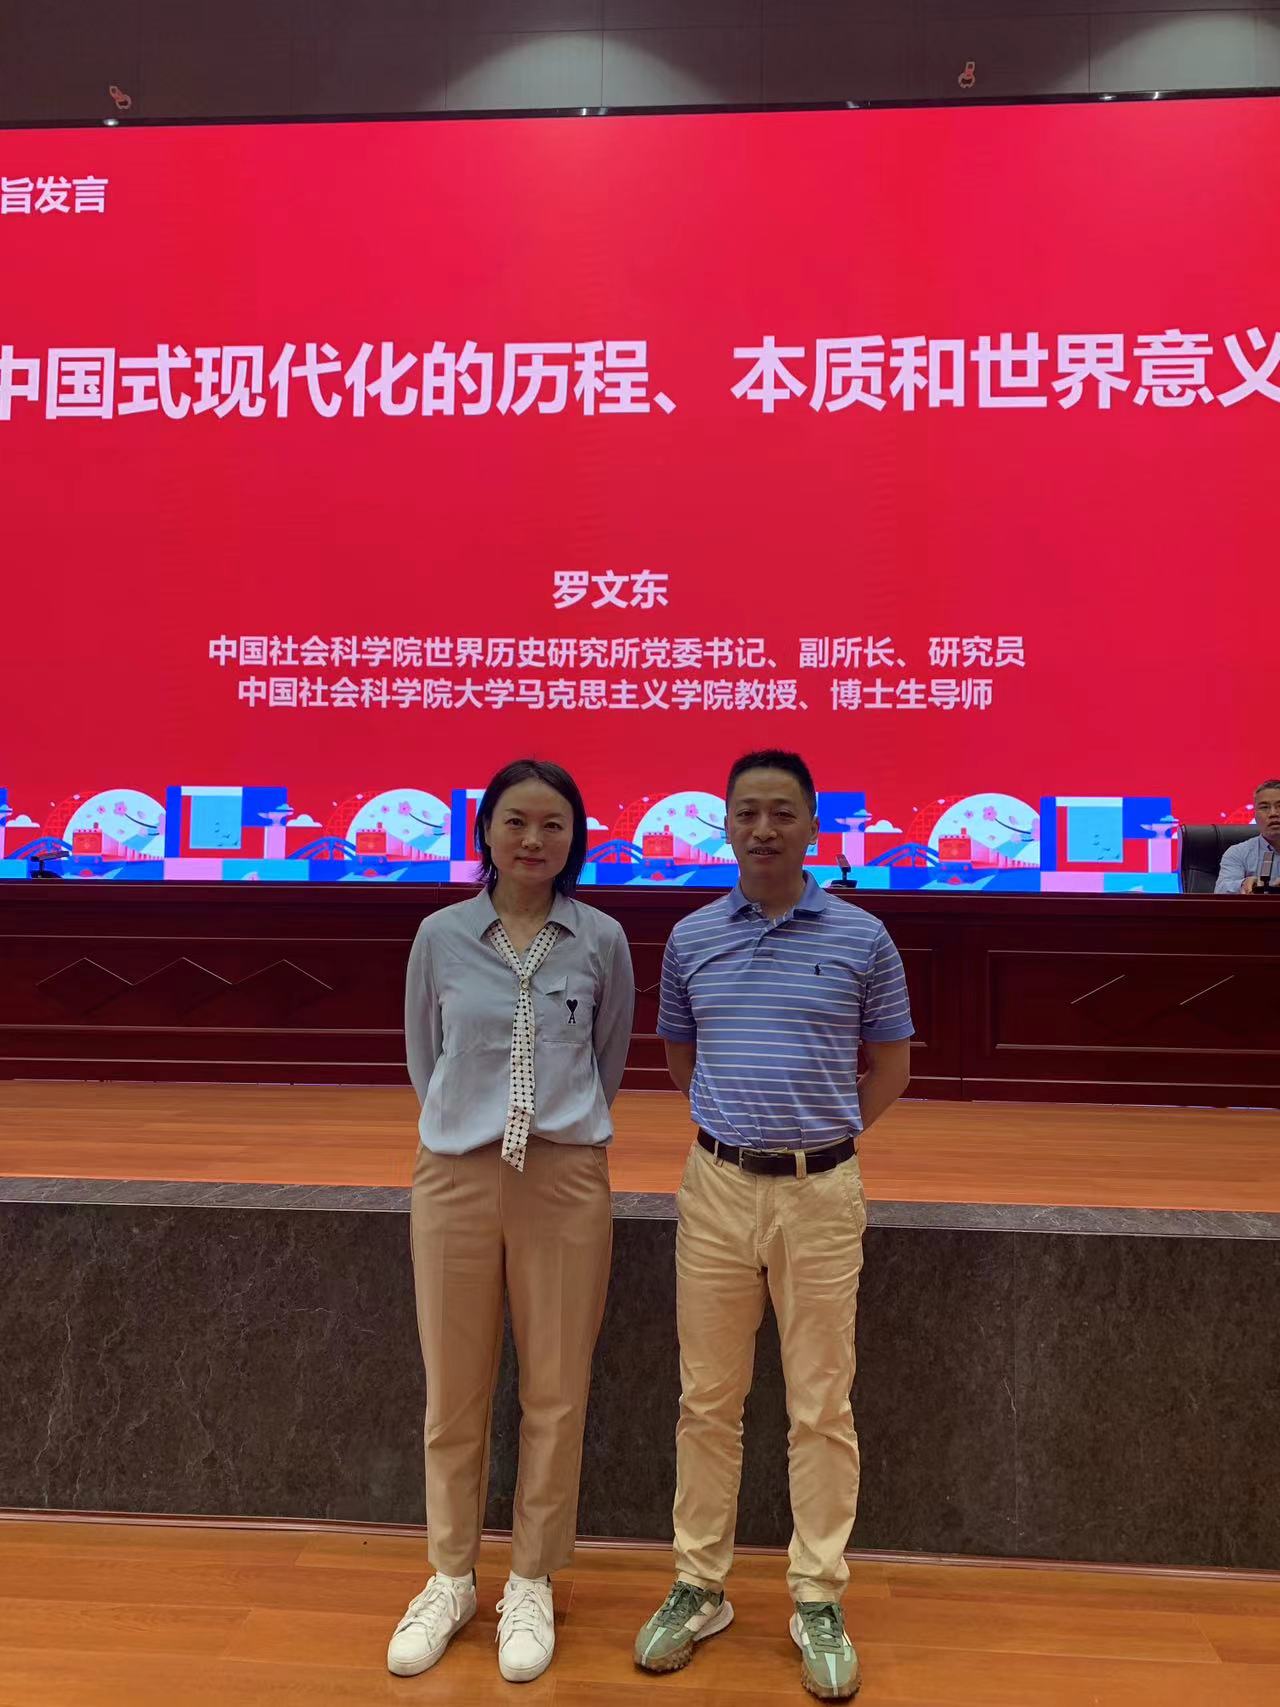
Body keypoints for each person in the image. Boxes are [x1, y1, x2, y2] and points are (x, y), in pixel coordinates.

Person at [634, 750, 913, 1703]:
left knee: (820, 1403)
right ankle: (699, 1584)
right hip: (715, 1187)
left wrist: (817, 1134)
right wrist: (742, 1130)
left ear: (812, 825)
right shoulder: (691, 937)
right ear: (724, 824)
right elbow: (682, 1058)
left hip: (822, 1194)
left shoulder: (864, 935)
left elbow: (890, 1067)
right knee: (706, 1398)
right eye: (747, 811)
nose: (763, 828)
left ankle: (817, 1595)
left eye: (782, 811)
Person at [388, 758, 634, 1684]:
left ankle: (530, 1577)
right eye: (516, 821)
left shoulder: (601, 939)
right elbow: (427, 1057)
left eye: (553, 825)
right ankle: (451, 1575)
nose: (533, 839)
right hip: (455, 1174)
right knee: (453, 1388)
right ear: (485, 831)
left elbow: (607, 1058)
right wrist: (471, 1128)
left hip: (564, 1180)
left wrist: (550, 1129)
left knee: (556, 1388)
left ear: (576, 839)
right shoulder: (441, 935)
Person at [1215, 779, 1280, 893]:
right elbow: (1221, 890)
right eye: (1264, 807)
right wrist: (1242, 884)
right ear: (1254, 815)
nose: (1273, 813)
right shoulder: (1238, 853)